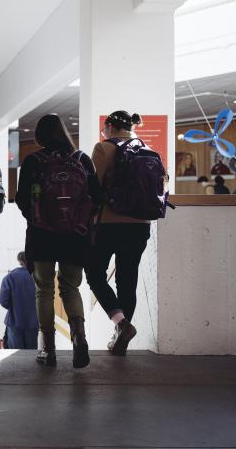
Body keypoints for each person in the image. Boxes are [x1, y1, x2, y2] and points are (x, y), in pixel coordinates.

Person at [16, 114, 98, 368]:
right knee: (70, 288)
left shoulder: (33, 160)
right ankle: (79, 339)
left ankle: (48, 350)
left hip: (42, 236)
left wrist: (38, 217)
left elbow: (21, 199)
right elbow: (96, 195)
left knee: (44, 290)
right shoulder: (82, 159)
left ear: (40, 135)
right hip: (76, 235)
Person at [85, 110, 150, 357]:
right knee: (127, 279)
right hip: (141, 224)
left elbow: (93, 186)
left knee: (94, 274)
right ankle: (121, 334)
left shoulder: (104, 149)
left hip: (109, 223)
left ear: (110, 126)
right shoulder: (146, 148)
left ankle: (121, 324)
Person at [0, 252, 38, 350]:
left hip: (14, 322)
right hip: (33, 323)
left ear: (20, 261)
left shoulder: (10, 277)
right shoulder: (38, 278)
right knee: (31, 356)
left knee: (15, 356)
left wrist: (15, 306)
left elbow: (3, 301)